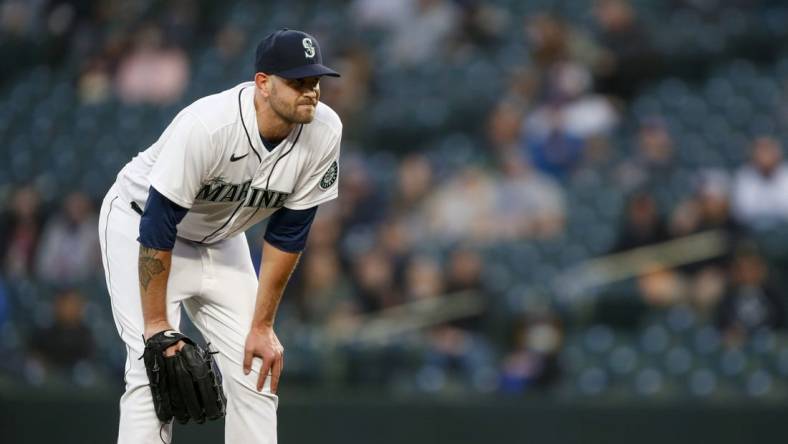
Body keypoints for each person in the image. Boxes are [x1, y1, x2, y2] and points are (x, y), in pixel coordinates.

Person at [98, 29, 341, 443]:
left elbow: (288, 234)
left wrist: (262, 327)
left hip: (223, 235)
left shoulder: (324, 131)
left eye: (314, 81)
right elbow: (159, 223)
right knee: (152, 368)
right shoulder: (209, 126)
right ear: (263, 83)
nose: (310, 92)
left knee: (258, 367)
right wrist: (157, 326)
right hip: (140, 224)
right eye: (297, 82)